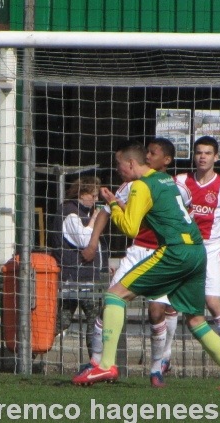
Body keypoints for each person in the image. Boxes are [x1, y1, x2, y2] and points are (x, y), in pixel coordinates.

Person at [72, 140, 220, 391]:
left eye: (119, 164)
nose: (118, 169)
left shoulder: (141, 186)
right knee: (196, 319)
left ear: (131, 164)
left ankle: (105, 364)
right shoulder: (167, 181)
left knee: (114, 296)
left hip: (175, 251)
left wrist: (113, 204)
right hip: (197, 251)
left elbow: (130, 228)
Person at [82, 138, 190, 387]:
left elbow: (184, 217)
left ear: (166, 160)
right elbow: (106, 213)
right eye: (147, 152)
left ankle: (157, 368)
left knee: (156, 312)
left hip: (163, 253)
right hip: (137, 252)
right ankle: (97, 361)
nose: (149, 156)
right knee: (109, 302)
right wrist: (92, 242)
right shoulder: (130, 186)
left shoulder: (174, 187)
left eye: (153, 153)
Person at [171, 136, 220, 367]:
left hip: (211, 249)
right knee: (169, 304)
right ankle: (163, 359)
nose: (202, 156)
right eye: (198, 152)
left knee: (213, 303)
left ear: (216, 157)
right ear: (193, 156)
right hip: (184, 248)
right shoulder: (181, 182)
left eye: (207, 153)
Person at [48, 176, 108, 358]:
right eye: (93, 195)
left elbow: (96, 245)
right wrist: (94, 222)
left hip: (86, 276)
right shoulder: (71, 213)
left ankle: (94, 359)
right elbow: (84, 240)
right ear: (82, 193)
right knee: (89, 319)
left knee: (70, 318)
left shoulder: (83, 213)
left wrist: (104, 264)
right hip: (75, 277)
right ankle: (95, 360)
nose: (96, 200)